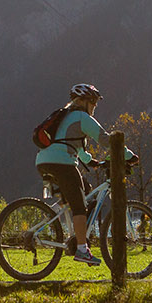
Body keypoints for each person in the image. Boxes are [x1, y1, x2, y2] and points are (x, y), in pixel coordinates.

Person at [35, 83, 117, 266]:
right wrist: (128, 155)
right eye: (93, 101)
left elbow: (74, 146)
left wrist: (90, 161)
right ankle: (81, 249)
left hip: (44, 161)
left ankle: (57, 217)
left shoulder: (66, 117)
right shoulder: (81, 116)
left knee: (85, 190)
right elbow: (106, 139)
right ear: (83, 101)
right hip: (62, 163)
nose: (95, 106)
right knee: (79, 206)